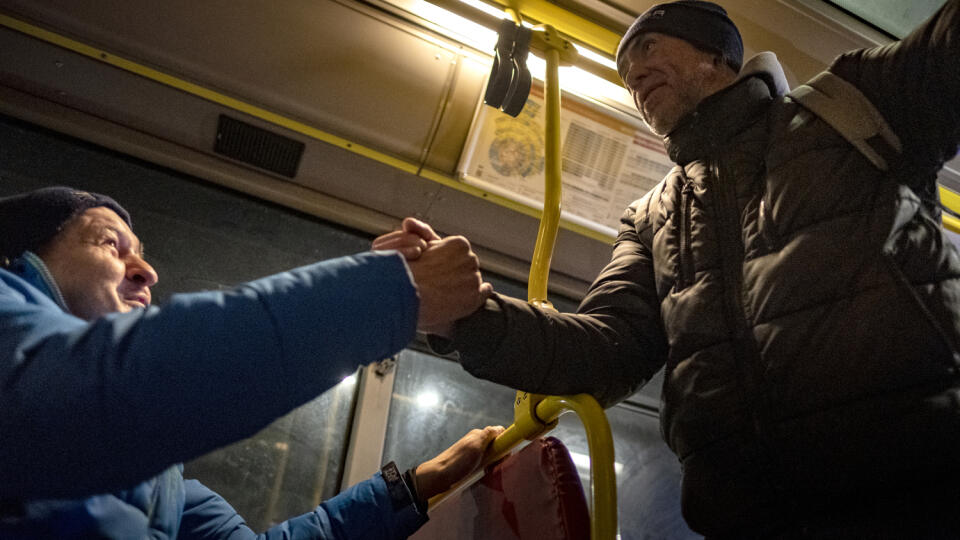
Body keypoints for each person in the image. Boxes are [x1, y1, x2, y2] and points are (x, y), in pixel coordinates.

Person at [375, 0, 960, 537]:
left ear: (716, 55)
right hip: (749, 520)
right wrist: (470, 315)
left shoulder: (846, 108)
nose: (633, 73)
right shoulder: (652, 217)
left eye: (649, 47)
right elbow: (607, 352)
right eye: (625, 68)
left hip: (918, 486)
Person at [0, 186, 500, 538]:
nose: (148, 271)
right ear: (21, 258)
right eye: (111, 242)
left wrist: (409, 488)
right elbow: (87, 394)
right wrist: (391, 294)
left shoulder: (161, 481)